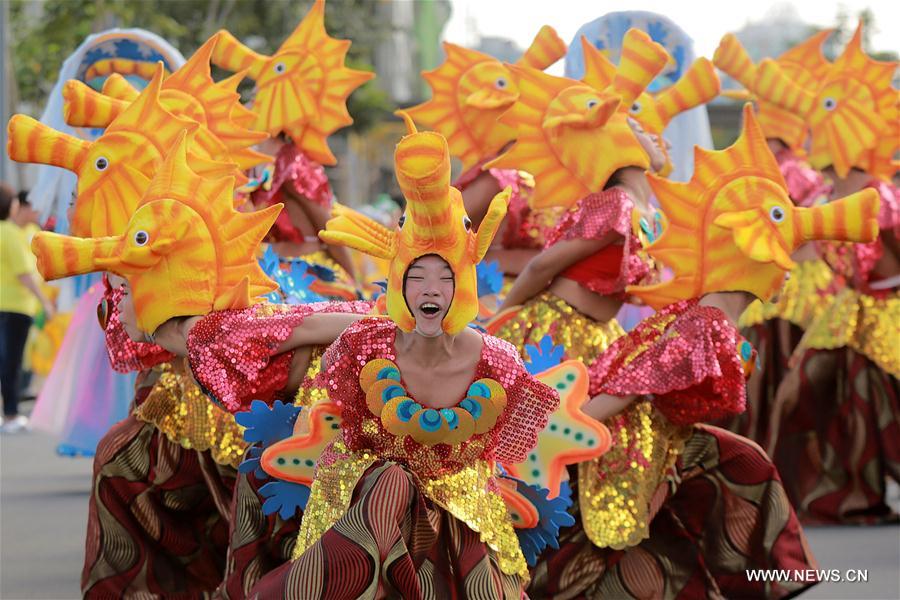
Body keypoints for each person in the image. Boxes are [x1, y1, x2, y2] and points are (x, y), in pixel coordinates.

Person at [750, 22, 899, 524]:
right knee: (805, 393)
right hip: (844, 311)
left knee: (869, 405)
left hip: (880, 312)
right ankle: (818, 489)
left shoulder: (879, 195)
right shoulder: (823, 193)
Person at [1, 183, 55, 433]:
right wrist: (44, 301)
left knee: (11, 360)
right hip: (16, 306)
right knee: (11, 361)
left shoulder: (19, 231)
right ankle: (10, 414)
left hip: (15, 306)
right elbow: (24, 273)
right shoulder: (9, 232)